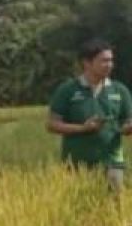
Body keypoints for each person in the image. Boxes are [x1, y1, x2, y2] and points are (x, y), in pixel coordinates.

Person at [47, 39, 132, 198]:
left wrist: (127, 128)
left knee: (114, 211)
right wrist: (83, 128)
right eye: (104, 61)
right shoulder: (68, 90)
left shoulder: (120, 91)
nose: (110, 65)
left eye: (111, 60)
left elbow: (128, 122)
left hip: (112, 163)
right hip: (77, 165)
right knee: (76, 211)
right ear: (87, 63)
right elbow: (52, 124)